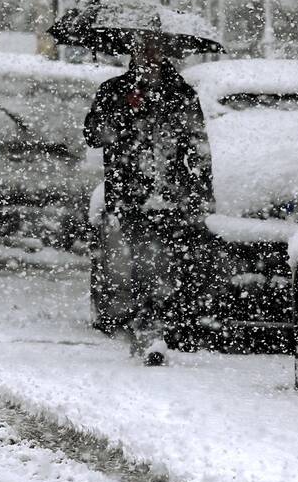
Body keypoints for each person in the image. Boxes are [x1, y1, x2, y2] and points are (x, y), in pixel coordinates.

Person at [84, 34, 214, 366]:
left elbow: (198, 145)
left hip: (173, 196)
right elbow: (93, 135)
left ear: (167, 53)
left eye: (155, 48)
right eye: (142, 48)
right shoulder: (114, 91)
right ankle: (147, 327)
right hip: (129, 195)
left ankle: (160, 326)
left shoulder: (181, 94)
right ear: (133, 52)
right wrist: (121, 117)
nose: (149, 55)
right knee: (140, 262)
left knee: (168, 263)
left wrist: (200, 190)